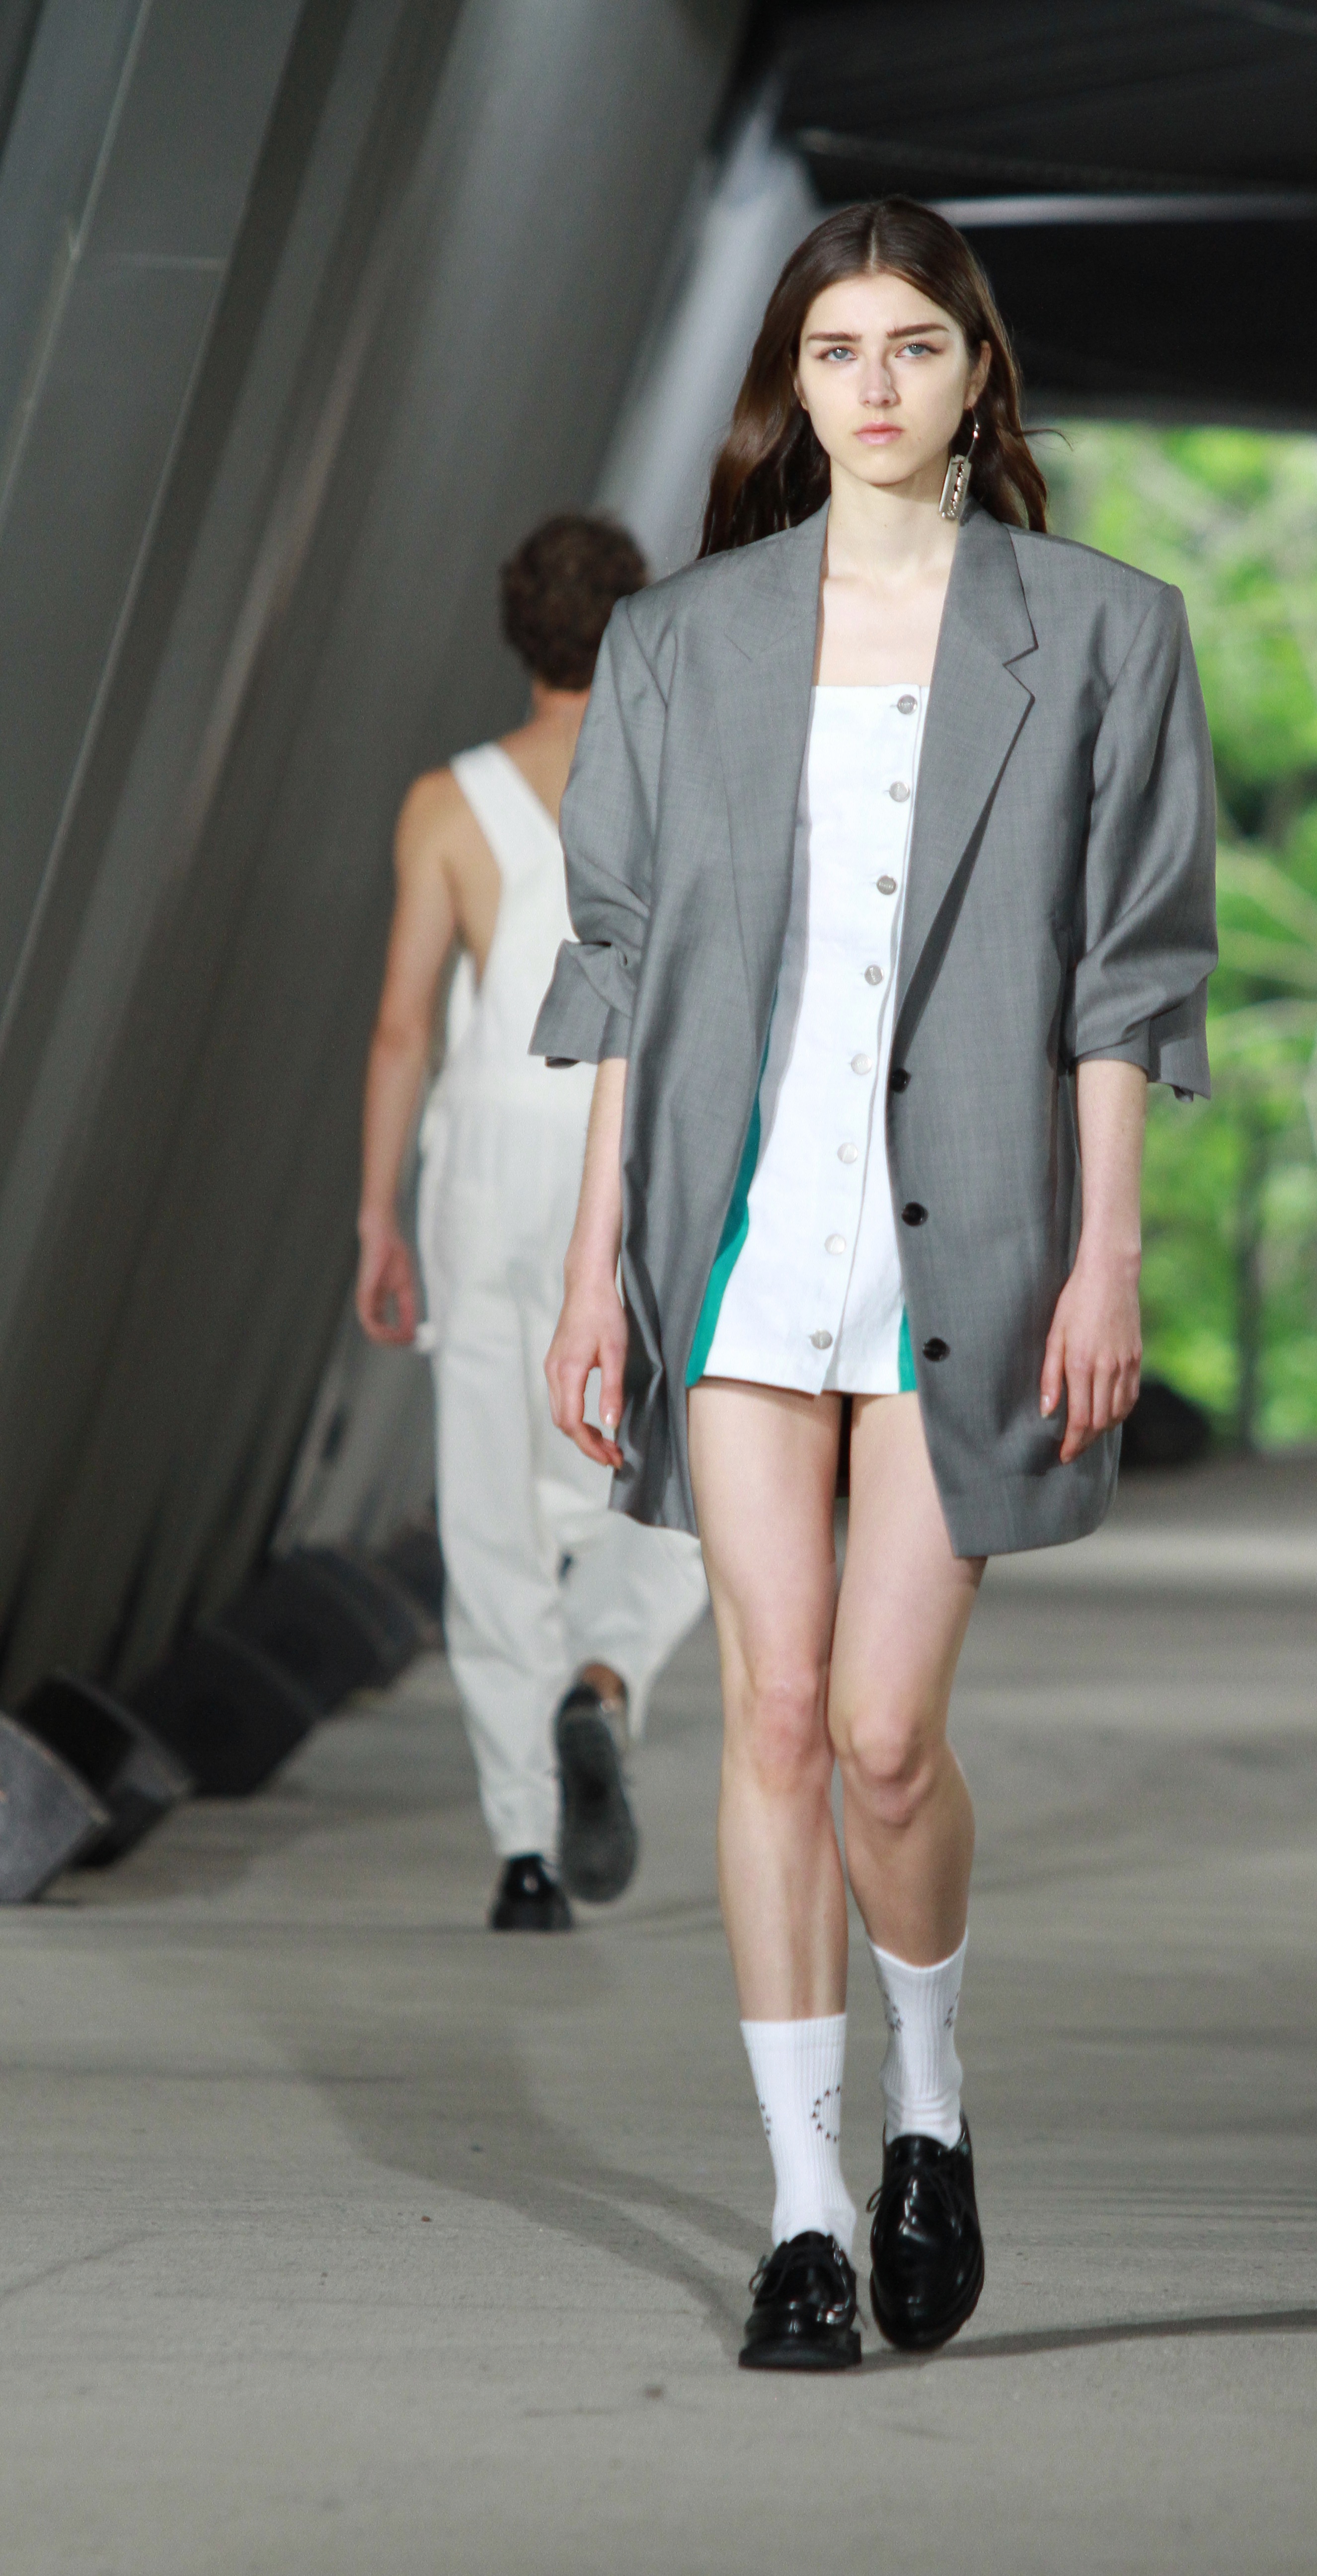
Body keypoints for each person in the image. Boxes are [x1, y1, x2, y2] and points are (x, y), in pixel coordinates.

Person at [534, 199, 1217, 2370]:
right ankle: (805, 2213)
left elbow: (1126, 979)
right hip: (739, 1238)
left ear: (976, 371)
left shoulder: (1102, 633)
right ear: (794, 386)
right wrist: (592, 1272)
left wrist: (1106, 1254)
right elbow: (621, 972)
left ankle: (932, 2101)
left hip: (975, 1242)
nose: (877, 387)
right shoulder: (681, 643)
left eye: (914, 345)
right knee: (777, 1713)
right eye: (837, 352)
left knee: (891, 1740)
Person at [356, 514, 708, 1931]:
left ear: (518, 631)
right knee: (678, 1462)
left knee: (491, 1496)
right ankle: (606, 1677)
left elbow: (402, 1029)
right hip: (639, 1139)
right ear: (633, 631)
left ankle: (523, 1849)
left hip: (493, 1155)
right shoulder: (683, 781)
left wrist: (377, 1216)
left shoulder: (445, 805)